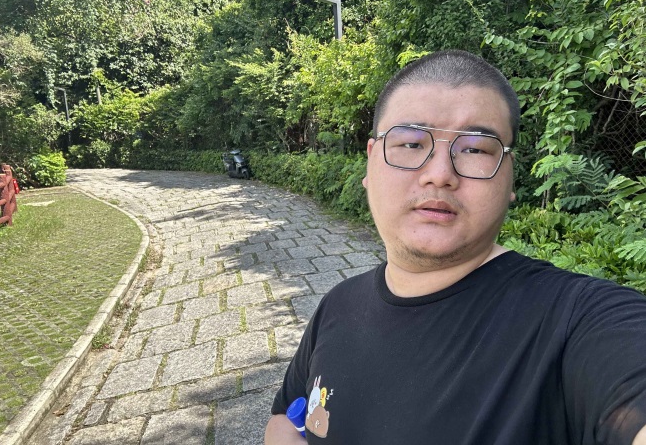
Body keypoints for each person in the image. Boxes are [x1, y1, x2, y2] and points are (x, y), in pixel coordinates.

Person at [264, 50, 646, 444]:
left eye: (475, 149)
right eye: (411, 143)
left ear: (510, 178)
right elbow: (286, 419)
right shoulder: (337, 304)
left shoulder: (575, 320)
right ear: (371, 163)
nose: (439, 174)